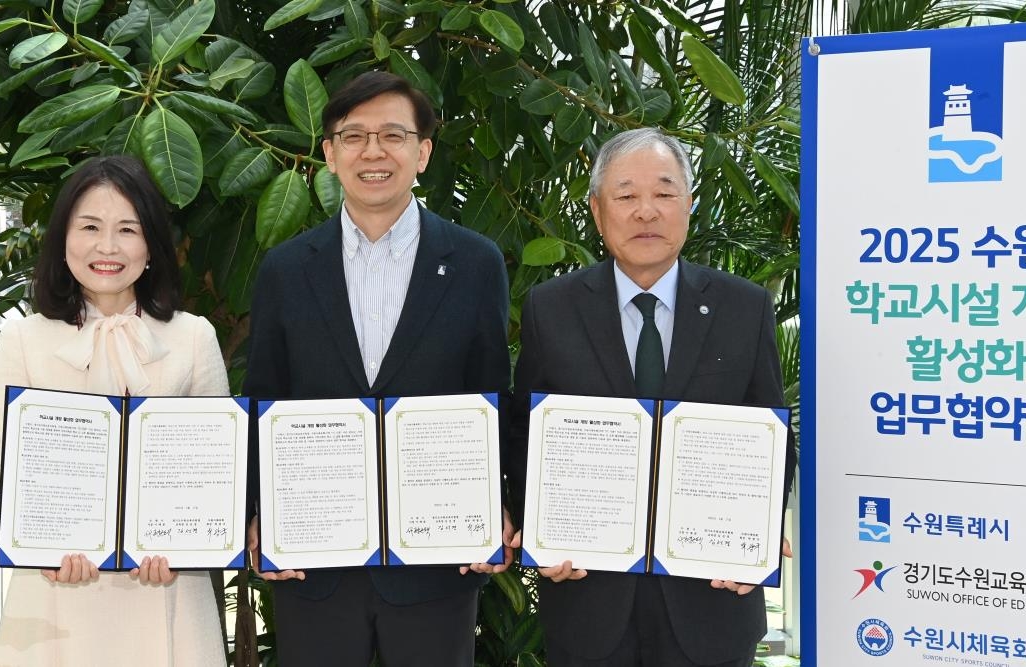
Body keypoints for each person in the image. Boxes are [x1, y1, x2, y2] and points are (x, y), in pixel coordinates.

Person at [243, 70, 514, 666]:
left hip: (437, 562)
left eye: (393, 135)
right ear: (330, 154)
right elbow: (263, 399)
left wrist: (500, 504)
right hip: (312, 560)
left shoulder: (475, 264)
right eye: (355, 135)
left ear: (423, 153)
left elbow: (493, 396)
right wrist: (257, 516)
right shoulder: (286, 271)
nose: (373, 152)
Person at [507, 128, 797, 667]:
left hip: (711, 597)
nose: (647, 212)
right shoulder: (552, 308)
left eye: (664, 194)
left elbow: (772, 436)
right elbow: (526, 434)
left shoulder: (743, 307)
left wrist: (756, 533)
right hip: (588, 596)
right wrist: (539, 531)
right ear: (597, 212)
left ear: (689, 206)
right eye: (626, 196)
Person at [0, 155, 229, 665]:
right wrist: (43, 549)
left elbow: (217, 476)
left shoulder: (193, 337)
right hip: (53, 601)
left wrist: (186, 552)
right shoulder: (21, 338)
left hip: (167, 595)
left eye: (128, 229)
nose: (107, 247)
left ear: (152, 246)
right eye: (90, 227)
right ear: (63, 238)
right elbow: (8, 472)